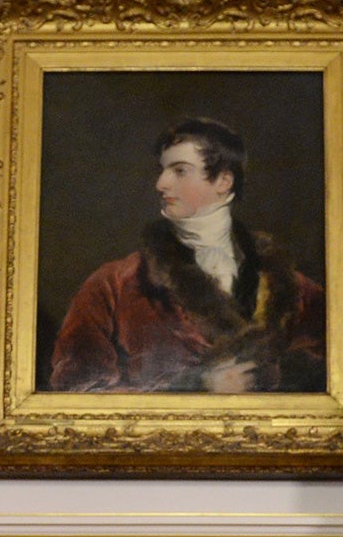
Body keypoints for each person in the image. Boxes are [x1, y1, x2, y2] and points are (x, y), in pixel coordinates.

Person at [48, 116, 327, 394]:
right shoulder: (114, 283)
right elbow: (78, 394)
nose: (161, 183)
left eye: (180, 171)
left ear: (223, 181)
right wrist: (194, 387)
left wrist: (277, 377)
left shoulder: (293, 287)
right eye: (163, 170)